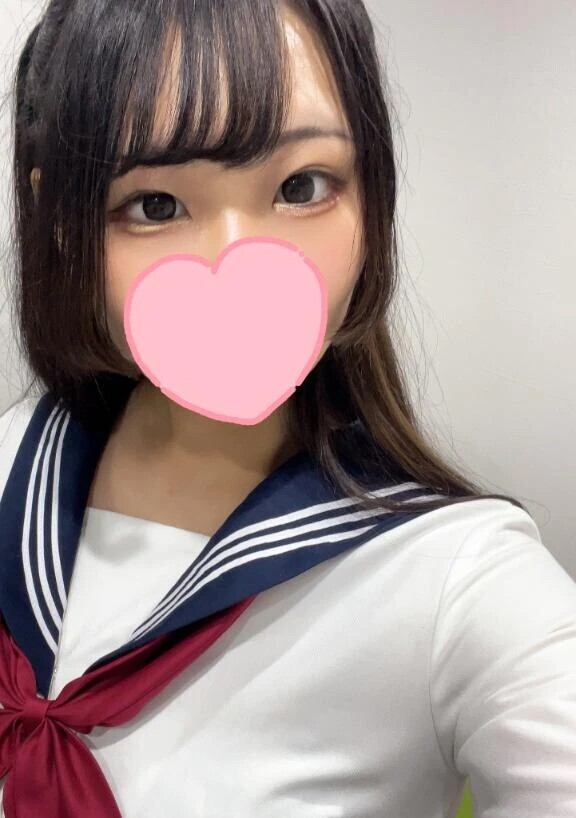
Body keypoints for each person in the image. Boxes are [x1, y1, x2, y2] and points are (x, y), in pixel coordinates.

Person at [1, 1, 575, 816]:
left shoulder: (458, 578)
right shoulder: (11, 466)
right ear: (61, 221)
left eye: (301, 187)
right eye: (155, 205)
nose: (239, 263)